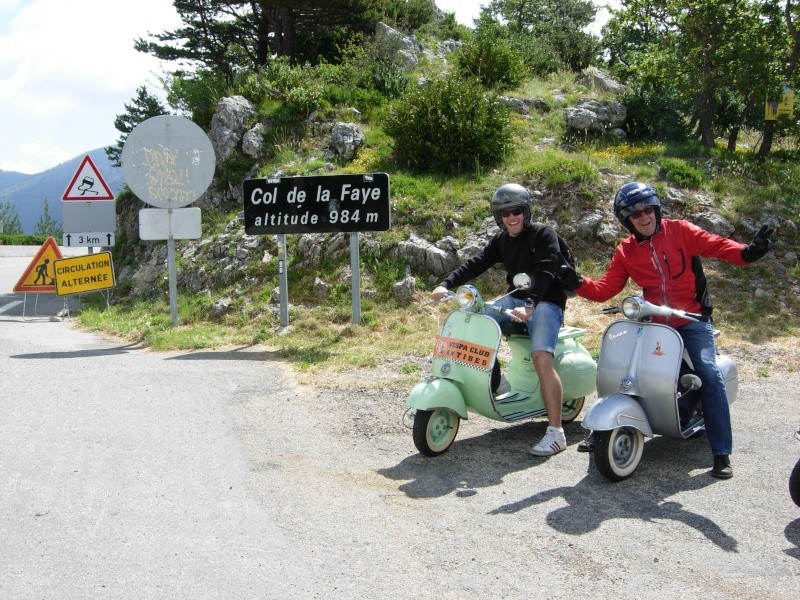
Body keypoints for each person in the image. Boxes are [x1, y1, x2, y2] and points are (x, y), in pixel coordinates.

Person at [556, 181, 775, 479]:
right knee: (621, 366)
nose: (644, 217)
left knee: (709, 374)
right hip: (655, 322)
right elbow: (605, 289)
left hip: (692, 319)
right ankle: (607, 425)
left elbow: (717, 245)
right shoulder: (626, 252)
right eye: (635, 214)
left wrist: (749, 252)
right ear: (627, 221)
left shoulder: (680, 231)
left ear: (657, 209)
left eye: (648, 209)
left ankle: (722, 452)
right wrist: (577, 281)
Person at [431, 183, 571, 456]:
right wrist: (446, 284)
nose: (512, 217)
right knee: (476, 325)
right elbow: (477, 262)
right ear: (499, 217)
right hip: (517, 299)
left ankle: (556, 433)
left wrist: (531, 305)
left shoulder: (544, 234)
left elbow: (545, 272)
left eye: (517, 210)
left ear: (526, 211)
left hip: (546, 302)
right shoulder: (501, 240)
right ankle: (497, 382)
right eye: (505, 213)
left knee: (541, 357)